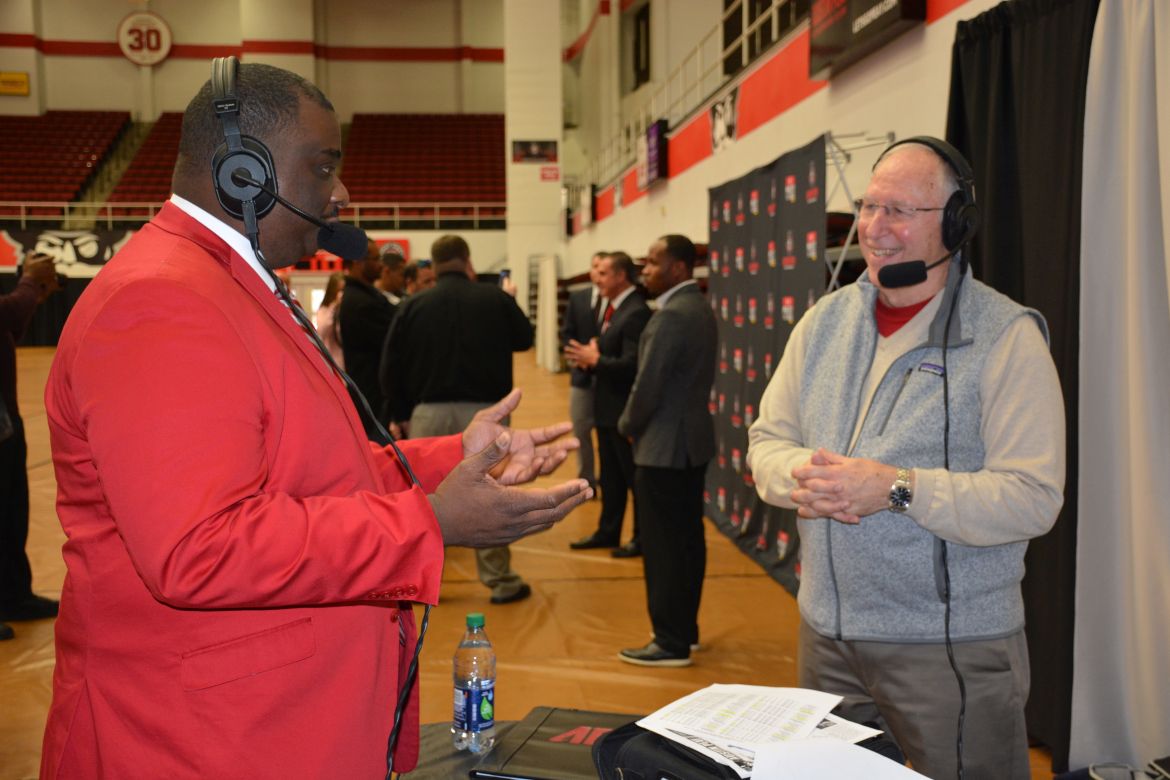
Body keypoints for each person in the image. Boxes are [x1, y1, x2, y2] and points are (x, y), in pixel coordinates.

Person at [40, 60, 590, 778]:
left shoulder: (226, 283)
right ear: (245, 174)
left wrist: (457, 457)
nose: (341, 192)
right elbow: (198, 548)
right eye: (324, 166)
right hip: (199, 743)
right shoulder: (162, 301)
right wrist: (430, 522)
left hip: (267, 726)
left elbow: (309, 470)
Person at [746, 138, 1065, 779]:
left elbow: (1033, 496)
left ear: (954, 224)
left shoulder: (1006, 336)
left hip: (952, 647)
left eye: (898, 210)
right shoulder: (824, 322)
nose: (874, 227)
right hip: (826, 636)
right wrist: (807, 480)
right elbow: (767, 442)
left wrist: (897, 488)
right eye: (869, 206)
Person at [381, 234, 537, 605]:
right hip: (486, 415)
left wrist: (401, 414)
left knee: (424, 499)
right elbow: (524, 338)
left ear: (433, 266)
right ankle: (500, 580)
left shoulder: (412, 305)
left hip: (428, 414)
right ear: (467, 261)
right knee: (490, 492)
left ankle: (416, 582)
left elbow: (390, 368)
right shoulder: (494, 298)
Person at [616, 235, 716, 666]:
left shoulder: (672, 316)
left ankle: (669, 641)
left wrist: (626, 426)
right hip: (690, 444)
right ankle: (684, 631)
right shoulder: (699, 307)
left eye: (653, 264)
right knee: (687, 541)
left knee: (663, 549)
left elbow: (648, 387)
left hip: (663, 448)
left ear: (677, 268)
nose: (646, 272)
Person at [565, 251, 650, 557]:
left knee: (631, 477)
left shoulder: (635, 311)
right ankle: (608, 531)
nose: (596, 278)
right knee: (612, 478)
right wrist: (592, 356)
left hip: (622, 411)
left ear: (621, 276)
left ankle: (641, 538)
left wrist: (595, 360)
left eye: (603, 273)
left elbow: (633, 365)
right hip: (607, 409)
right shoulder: (615, 308)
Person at [0, 252, 61, 642]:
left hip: (5, 415)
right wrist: (29, 282)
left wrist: (34, 292)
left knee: (11, 509)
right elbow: (7, 313)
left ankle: (13, 596)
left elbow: (10, 327)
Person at [559, 251, 606, 499]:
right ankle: (587, 481)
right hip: (581, 377)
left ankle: (610, 480)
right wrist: (579, 356)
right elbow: (567, 333)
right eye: (594, 267)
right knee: (581, 431)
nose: (597, 273)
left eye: (602, 268)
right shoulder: (579, 298)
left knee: (608, 434)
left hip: (609, 378)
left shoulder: (619, 303)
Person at [339, 237, 395, 418]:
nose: (381, 265)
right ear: (358, 262)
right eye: (376, 259)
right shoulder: (361, 303)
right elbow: (394, 342)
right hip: (371, 396)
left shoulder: (366, 296)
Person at [314, 270, 345, 369]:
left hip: (345, 362)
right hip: (329, 362)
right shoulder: (325, 310)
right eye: (339, 291)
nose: (342, 295)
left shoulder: (346, 311)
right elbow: (322, 331)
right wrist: (334, 306)